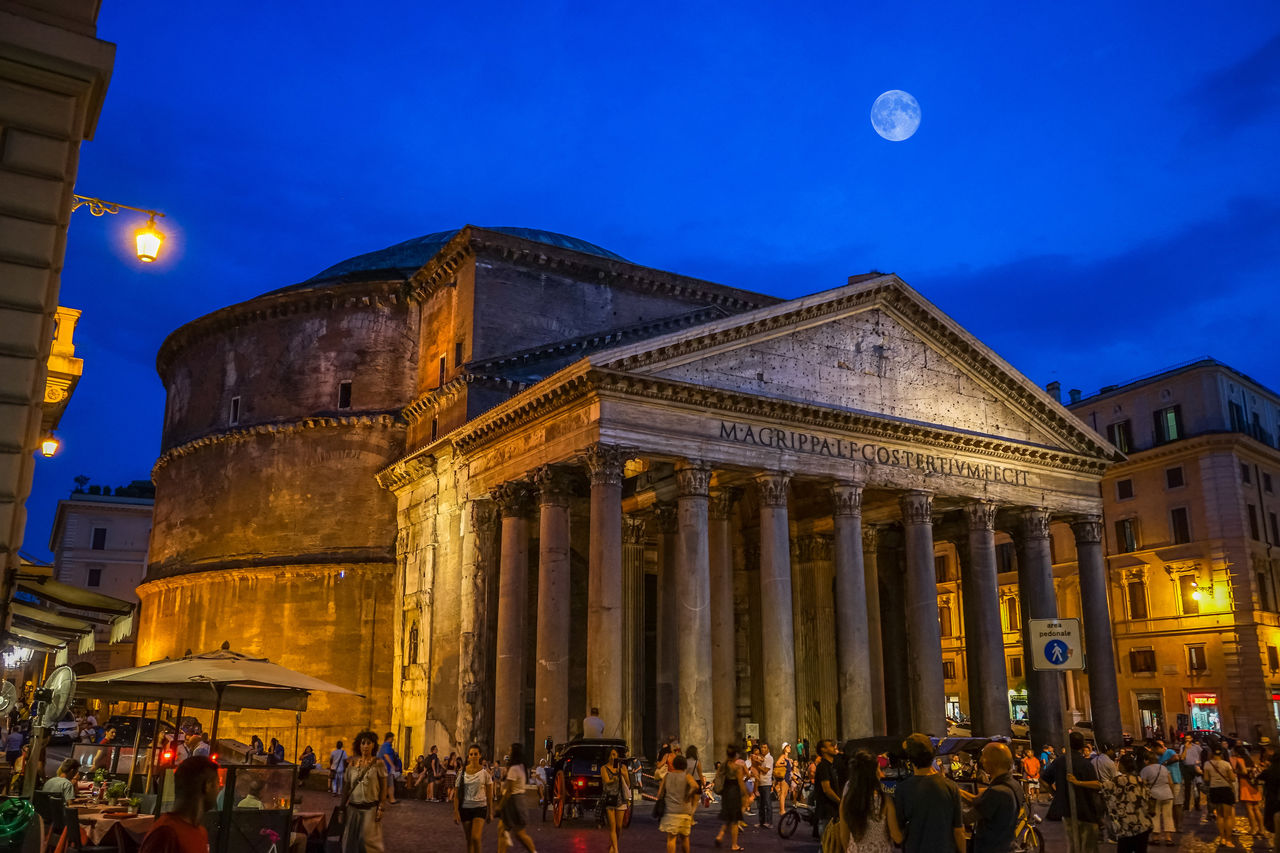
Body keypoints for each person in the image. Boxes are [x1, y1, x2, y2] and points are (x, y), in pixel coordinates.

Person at [894, 733, 964, 853]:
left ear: (910, 759)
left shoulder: (903, 789)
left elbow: (898, 831)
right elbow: (958, 830)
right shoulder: (950, 786)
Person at [1071, 751, 1151, 853]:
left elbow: (1099, 785)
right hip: (1143, 825)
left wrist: (1078, 782)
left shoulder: (1118, 780)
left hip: (1126, 826)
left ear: (1121, 765)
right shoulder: (1140, 780)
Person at [827, 749, 903, 853]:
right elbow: (896, 836)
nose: (881, 774)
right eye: (879, 770)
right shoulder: (884, 800)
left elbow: (844, 836)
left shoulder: (847, 800)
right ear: (873, 774)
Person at [140, 756, 221, 853]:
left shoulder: (200, 832)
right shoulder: (166, 834)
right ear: (208, 786)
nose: (219, 789)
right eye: (217, 783)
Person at [1043, 732, 1102, 853]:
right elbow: (1096, 785)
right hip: (1087, 811)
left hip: (1067, 811)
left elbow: (1043, 780)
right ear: (1082, 745)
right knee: (1089, 847)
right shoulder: (1086, 764)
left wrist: (1055, 794)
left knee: (1073, 846)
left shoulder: (1059, 761)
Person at [958, 742, 1022, 853]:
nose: (982, 761)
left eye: (984, 757)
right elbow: (978, 801)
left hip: (992, 848)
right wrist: (955, 790)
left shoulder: (997, 792)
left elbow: (967, 818)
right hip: (1007, 845)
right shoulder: (1013, 785)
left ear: (994, 761)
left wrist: (946, 802)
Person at [341, 730, 388, 853]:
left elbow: (384, 787)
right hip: (352, 808)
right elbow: (346, 786)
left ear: (373, 745)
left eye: (368, 743)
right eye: (363, 743)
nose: (365, 746)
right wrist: (341, 808)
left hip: (370, 809)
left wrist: (381, 807)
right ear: (359, 745)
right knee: (350, 842)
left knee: (368, 842)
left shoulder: (379, 763)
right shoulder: (351, 763)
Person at [495, 741, 536, 853]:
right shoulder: (522, 767)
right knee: (508, 831)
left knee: (513, 832)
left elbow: (509, 790)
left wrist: (500, 805)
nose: (508, 752)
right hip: (519, 799)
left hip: (512, 801)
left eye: (510, 750)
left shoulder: (514, 769)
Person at [656, 753, 699, 853]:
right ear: (685, 765)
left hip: (670, 811)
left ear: (674, 764)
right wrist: (688, 795)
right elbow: (695, 786)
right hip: (684, 811)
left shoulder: (667, 776)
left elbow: (659, 794)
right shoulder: (687, 776)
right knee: (685, 838)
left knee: (671, 839)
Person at [453, 744, 491, 853]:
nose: (473, 756)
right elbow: (456, 795)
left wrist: (490, 811)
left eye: (476, 754)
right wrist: (456, 812)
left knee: (476, 837)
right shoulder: (462, 772)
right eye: (471, 754)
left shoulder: (485, 773)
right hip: (465, 808)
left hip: (480, 807)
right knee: (469, 840)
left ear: (480, 756)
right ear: (468, 757)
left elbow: (489, 794)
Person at [712, 745, 746, 851]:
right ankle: (734, 844)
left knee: (728, 818)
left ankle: (720, 836)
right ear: (735, 754)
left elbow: (718, 775)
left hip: (726, 793)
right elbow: (740, 782)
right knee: (735, 820)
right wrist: (746, 794)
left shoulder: (724, 765)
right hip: (734, 793)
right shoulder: (737, 767)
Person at [1140, 747, 1176, 845]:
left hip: (1154, 796)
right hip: (1167, 794)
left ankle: (1156, 838)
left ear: (1147, 760)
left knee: (1154, 816)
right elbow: (1170, 782)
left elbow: (1143, 784)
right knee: (1168, 816)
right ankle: (1168, 838)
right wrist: (1172, 794)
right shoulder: (1163, 768)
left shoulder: (1145, 770)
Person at [1203, 747, 1238, 843]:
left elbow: (1206, 779)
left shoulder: (1207, 764)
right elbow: (1233, 779)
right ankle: (1229, 838)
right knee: (1228, 816)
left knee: (1219, 815)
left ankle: (1222, 837)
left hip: (1214, 789)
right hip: (1226, 789)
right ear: (1222, 754)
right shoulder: (1226, 764)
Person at [599, 746, 630, 853]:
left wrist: (625, 775)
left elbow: (628, 784)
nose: (614, 757)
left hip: (621, 798)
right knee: (612, 826)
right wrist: (614, 778)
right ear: (608, 756)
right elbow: (606, 781)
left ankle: (613, 846)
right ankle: (616, 850)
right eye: (612, 754)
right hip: (610, 798)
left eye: (615, 754)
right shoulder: (604, 768)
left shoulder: (623, 767)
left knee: (619, 827)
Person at [813, 738, 844, 839]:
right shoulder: (823, 766)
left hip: (832, 811)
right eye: (831, 745)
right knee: (828, 844)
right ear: (823, 750)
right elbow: (827, 789)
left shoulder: (831, 766)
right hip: (826, 811)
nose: (834, 747)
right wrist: (840, 801)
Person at [1234, 745, 1264, 836]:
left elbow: (1244, 772)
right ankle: (1262, 829)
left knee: (1249, 808)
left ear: (1237, 752)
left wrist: (1236, 772)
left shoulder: (1239, 760)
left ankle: (1253, 829)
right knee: (1256, 808)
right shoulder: (1249, 759)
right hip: (1253, 784)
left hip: (1245, 784)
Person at [1156, 738, 1184, 827]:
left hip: (1175, 781)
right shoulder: (1157, 756)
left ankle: (1179, 824)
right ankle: (1172, 824)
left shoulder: (1170, 752)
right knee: (1169, 805)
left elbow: (1176, 757)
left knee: (1177, 804)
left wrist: (1165, 763)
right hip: (1164, 783)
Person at [1180, 736, 1203, 812]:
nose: (1187, 740)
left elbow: (1202, 754)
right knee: (1187, 787)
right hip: (1187, 768)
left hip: (1196, 767)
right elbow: (1182, 758)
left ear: (1192, 739)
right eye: (1186, 738)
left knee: (1197, 786)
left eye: (1189, 738)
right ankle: (1186, 805)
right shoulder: (1183, 747)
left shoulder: (1196, 747)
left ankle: (1197, 804)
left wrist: (1199, 763)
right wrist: (1185, 748)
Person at [377, 733, 401, 804]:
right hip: (387, 768)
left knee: (386, 785)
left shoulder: (383, 746)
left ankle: (387, 799)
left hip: (384, 768)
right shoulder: (387, 745)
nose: (393, 740)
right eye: (392, 738)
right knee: (390, 785)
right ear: (390, 738)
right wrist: (392, 765)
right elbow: (386, 755)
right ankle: (391, 799)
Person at [757, 741, 775, 828]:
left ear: (768, 749)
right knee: (760, 804)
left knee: (768, 803)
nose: (762, 749)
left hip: (766, 783)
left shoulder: (769, 758)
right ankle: (761, 822)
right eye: (762, 748)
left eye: (764, 748)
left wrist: (757, 766)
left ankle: (769, 822)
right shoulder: (761, 758)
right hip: (760, 783)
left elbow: (765, 770)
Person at [775, 742, 796, 815]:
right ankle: (782, 810)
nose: (789, 748)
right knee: (783, 794)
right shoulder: (783, 756)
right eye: (787, 747)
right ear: (784, 749)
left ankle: (782, 809)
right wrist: (784, 764)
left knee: (785, 793)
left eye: (789, 747)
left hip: (788, 777)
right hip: (784, 777)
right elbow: (777, 763)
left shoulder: (787, 758)